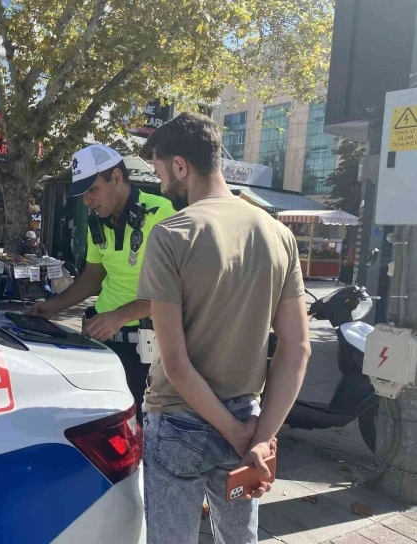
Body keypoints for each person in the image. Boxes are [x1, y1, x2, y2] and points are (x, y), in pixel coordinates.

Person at [136, 112, 311, 543]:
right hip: (248, 416)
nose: (161, 186)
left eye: (160, 172)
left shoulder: (171, 234)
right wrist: (259, 438)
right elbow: (297, 349)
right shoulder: (278, 234)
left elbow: (175, 364)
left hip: (179, 423)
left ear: (181, 166)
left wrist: (235, 435)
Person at [24, 144, 176, 422]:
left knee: (142, 428)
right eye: (82, 194)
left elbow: (179, 290)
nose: (86, 201)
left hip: (149, 347)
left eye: (92, 190)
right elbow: (93, 276)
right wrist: (52, 306)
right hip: (104, 339)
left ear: (117, 177)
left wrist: (120, 316)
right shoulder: (97, 224)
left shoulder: (162, 214)